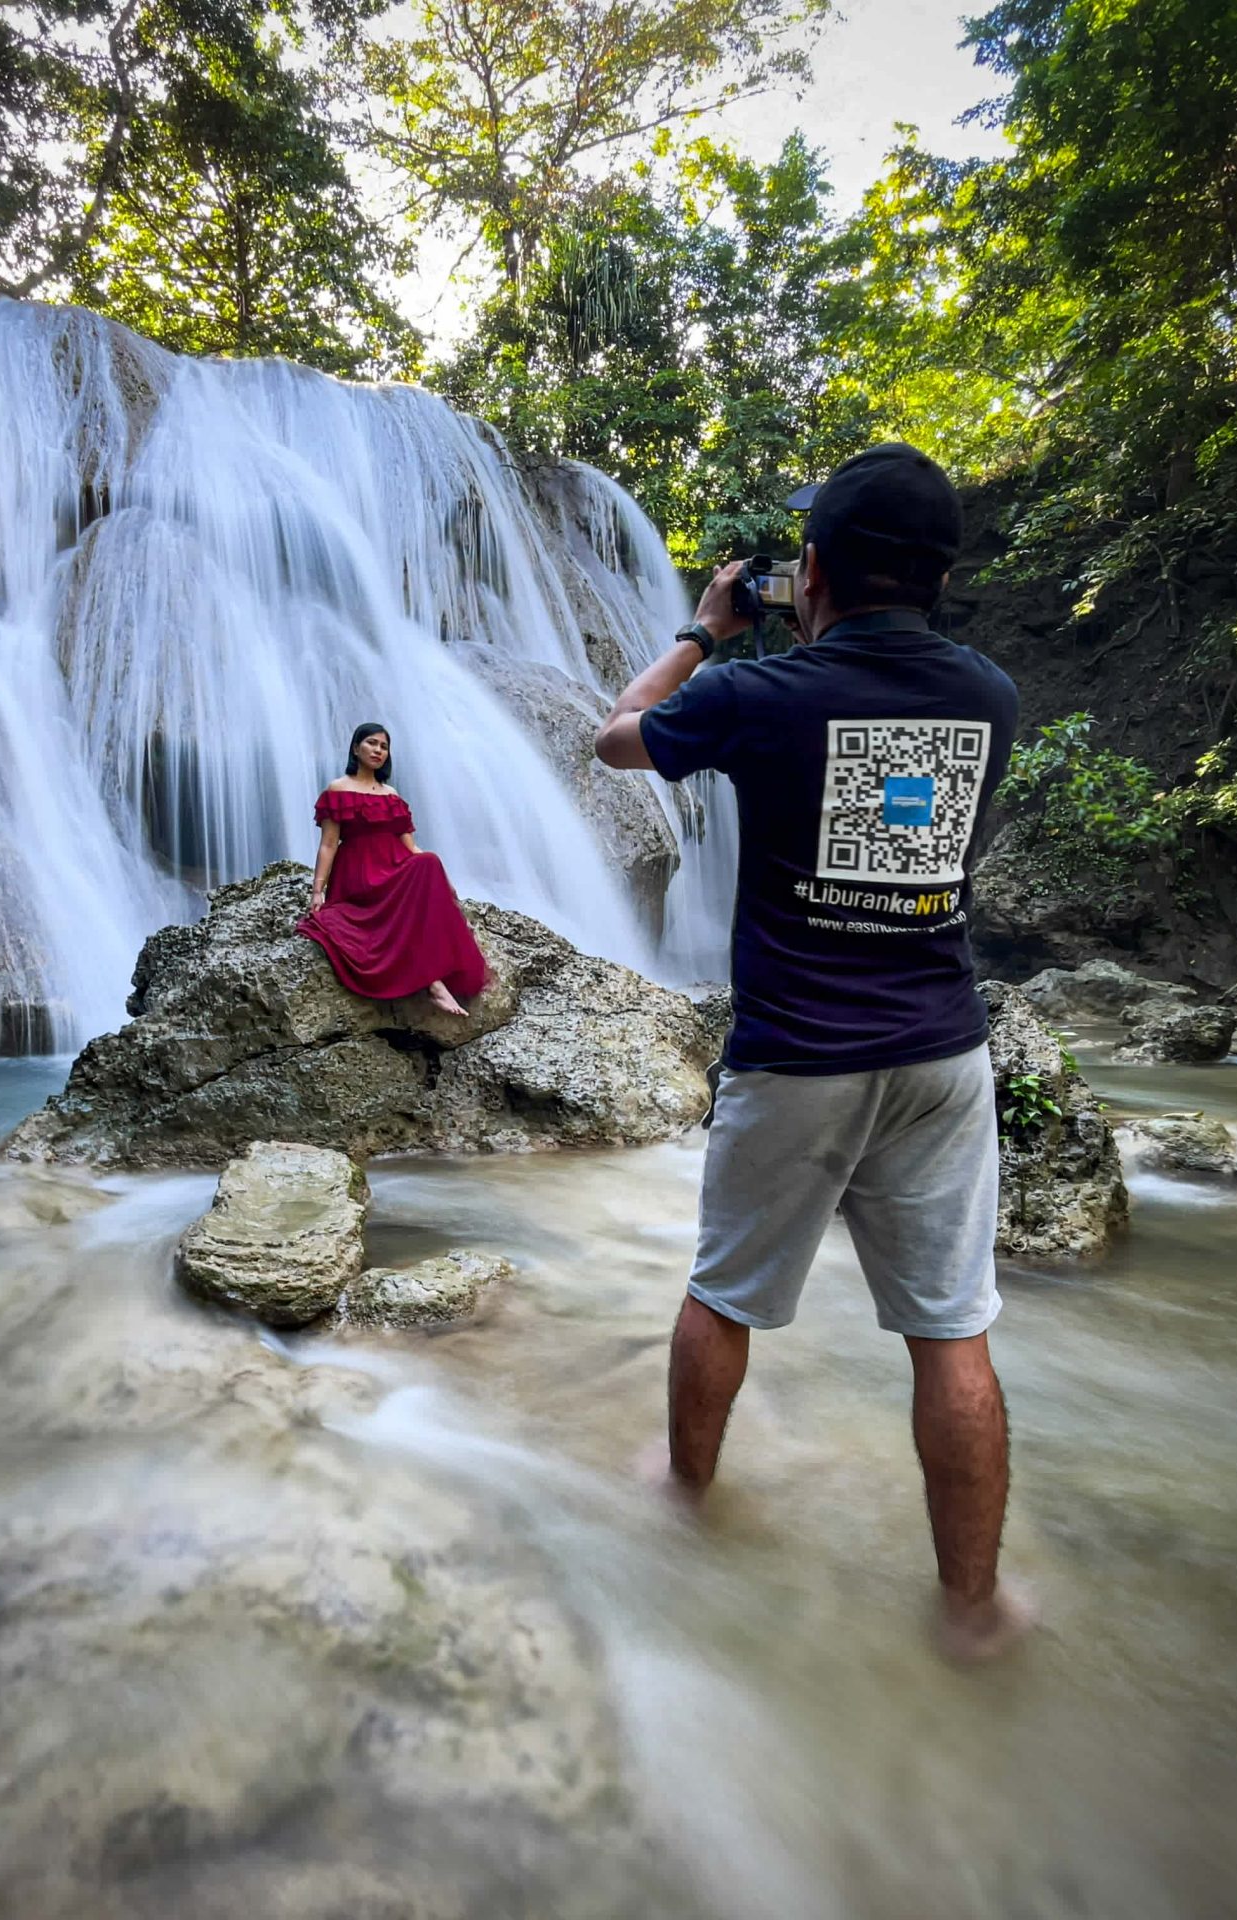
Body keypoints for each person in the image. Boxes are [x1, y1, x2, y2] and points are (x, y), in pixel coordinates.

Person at [592, 443, 1029, 1662]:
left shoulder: (760, 694)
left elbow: (613, 735)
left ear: (814, 566)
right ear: (939, 577)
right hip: (943, 1056)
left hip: (798, 1057)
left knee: (724, 1293)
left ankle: (685, 1492)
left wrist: (704, 629)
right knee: (952, 1332)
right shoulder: (988, 696)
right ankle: (974, 1612)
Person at [298, 722, 492, 1019]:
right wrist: (317, 891)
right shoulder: (338, 789)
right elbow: (328, 844)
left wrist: (444, 882)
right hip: (360, 873)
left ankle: (434, 981)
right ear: (355, 748)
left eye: (384, 747)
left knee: (428, 861)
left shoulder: (391, 794)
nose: (378, 750)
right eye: (372, 743)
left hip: (393, 866)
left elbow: (412, 848)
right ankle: (433, 984)